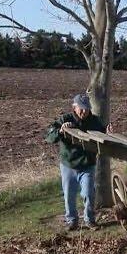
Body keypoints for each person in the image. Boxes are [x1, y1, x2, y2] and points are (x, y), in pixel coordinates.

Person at [44, 93, 108, 231]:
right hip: (69, 165)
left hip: (88, 165)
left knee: (89, 193)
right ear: (74, 107)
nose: (84, 111)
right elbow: (49, 136)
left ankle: (89, 220)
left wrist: (108, 132)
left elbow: (104, 134)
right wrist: (61, 130)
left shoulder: (95, 121)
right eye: (81, 108)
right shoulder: (65, 119)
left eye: (87, 108)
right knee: (69, 195)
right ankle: (72, 220)